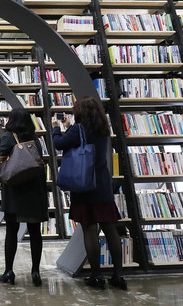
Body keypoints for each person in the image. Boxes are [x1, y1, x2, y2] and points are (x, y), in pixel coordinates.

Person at [52, 96, 127, 291]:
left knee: (89, 229)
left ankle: (96, 276)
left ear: (80, 112)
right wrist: (70, 126)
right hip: (102, 186)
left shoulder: (79, 130)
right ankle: (118, 275)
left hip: (84, 185)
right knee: (110, 230)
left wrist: (56, 127)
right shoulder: (103, 129)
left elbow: (59, 144)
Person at [0, 108, 47, 287]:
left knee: (12, 231)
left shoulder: (9, 136)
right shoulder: (36, 140)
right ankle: (35, 272)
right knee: (35, 232)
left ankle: (9, 271)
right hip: (35, 191)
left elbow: (1, 157)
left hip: (15, 191)